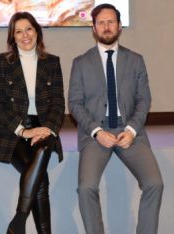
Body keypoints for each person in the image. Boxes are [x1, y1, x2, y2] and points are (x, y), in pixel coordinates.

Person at [68, 4, 164, 234]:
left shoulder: (136, 60)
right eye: (101, 22)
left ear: (120, 27)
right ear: (93, 28)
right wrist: (96, 132)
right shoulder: (80, 63)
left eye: (111, 22)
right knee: (86, 188)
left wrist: (131, 130)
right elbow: (74, 103)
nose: (106, 27)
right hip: (95, 134)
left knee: (155, 184)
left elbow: (144, 100)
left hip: (130, 132)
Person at [0, 12, 65, 234]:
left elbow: (58, 103)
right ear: (13, 37)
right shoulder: (2, 62)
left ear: (37, 31)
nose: (24, 35)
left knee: (42, 152)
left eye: (28, 29)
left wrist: (47, 128)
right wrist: (23, 131)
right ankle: (22, 224)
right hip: (13, 131)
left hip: (44, 126)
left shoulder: (52, 62)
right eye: (18, 31)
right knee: (41, 181)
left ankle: (19, 221)